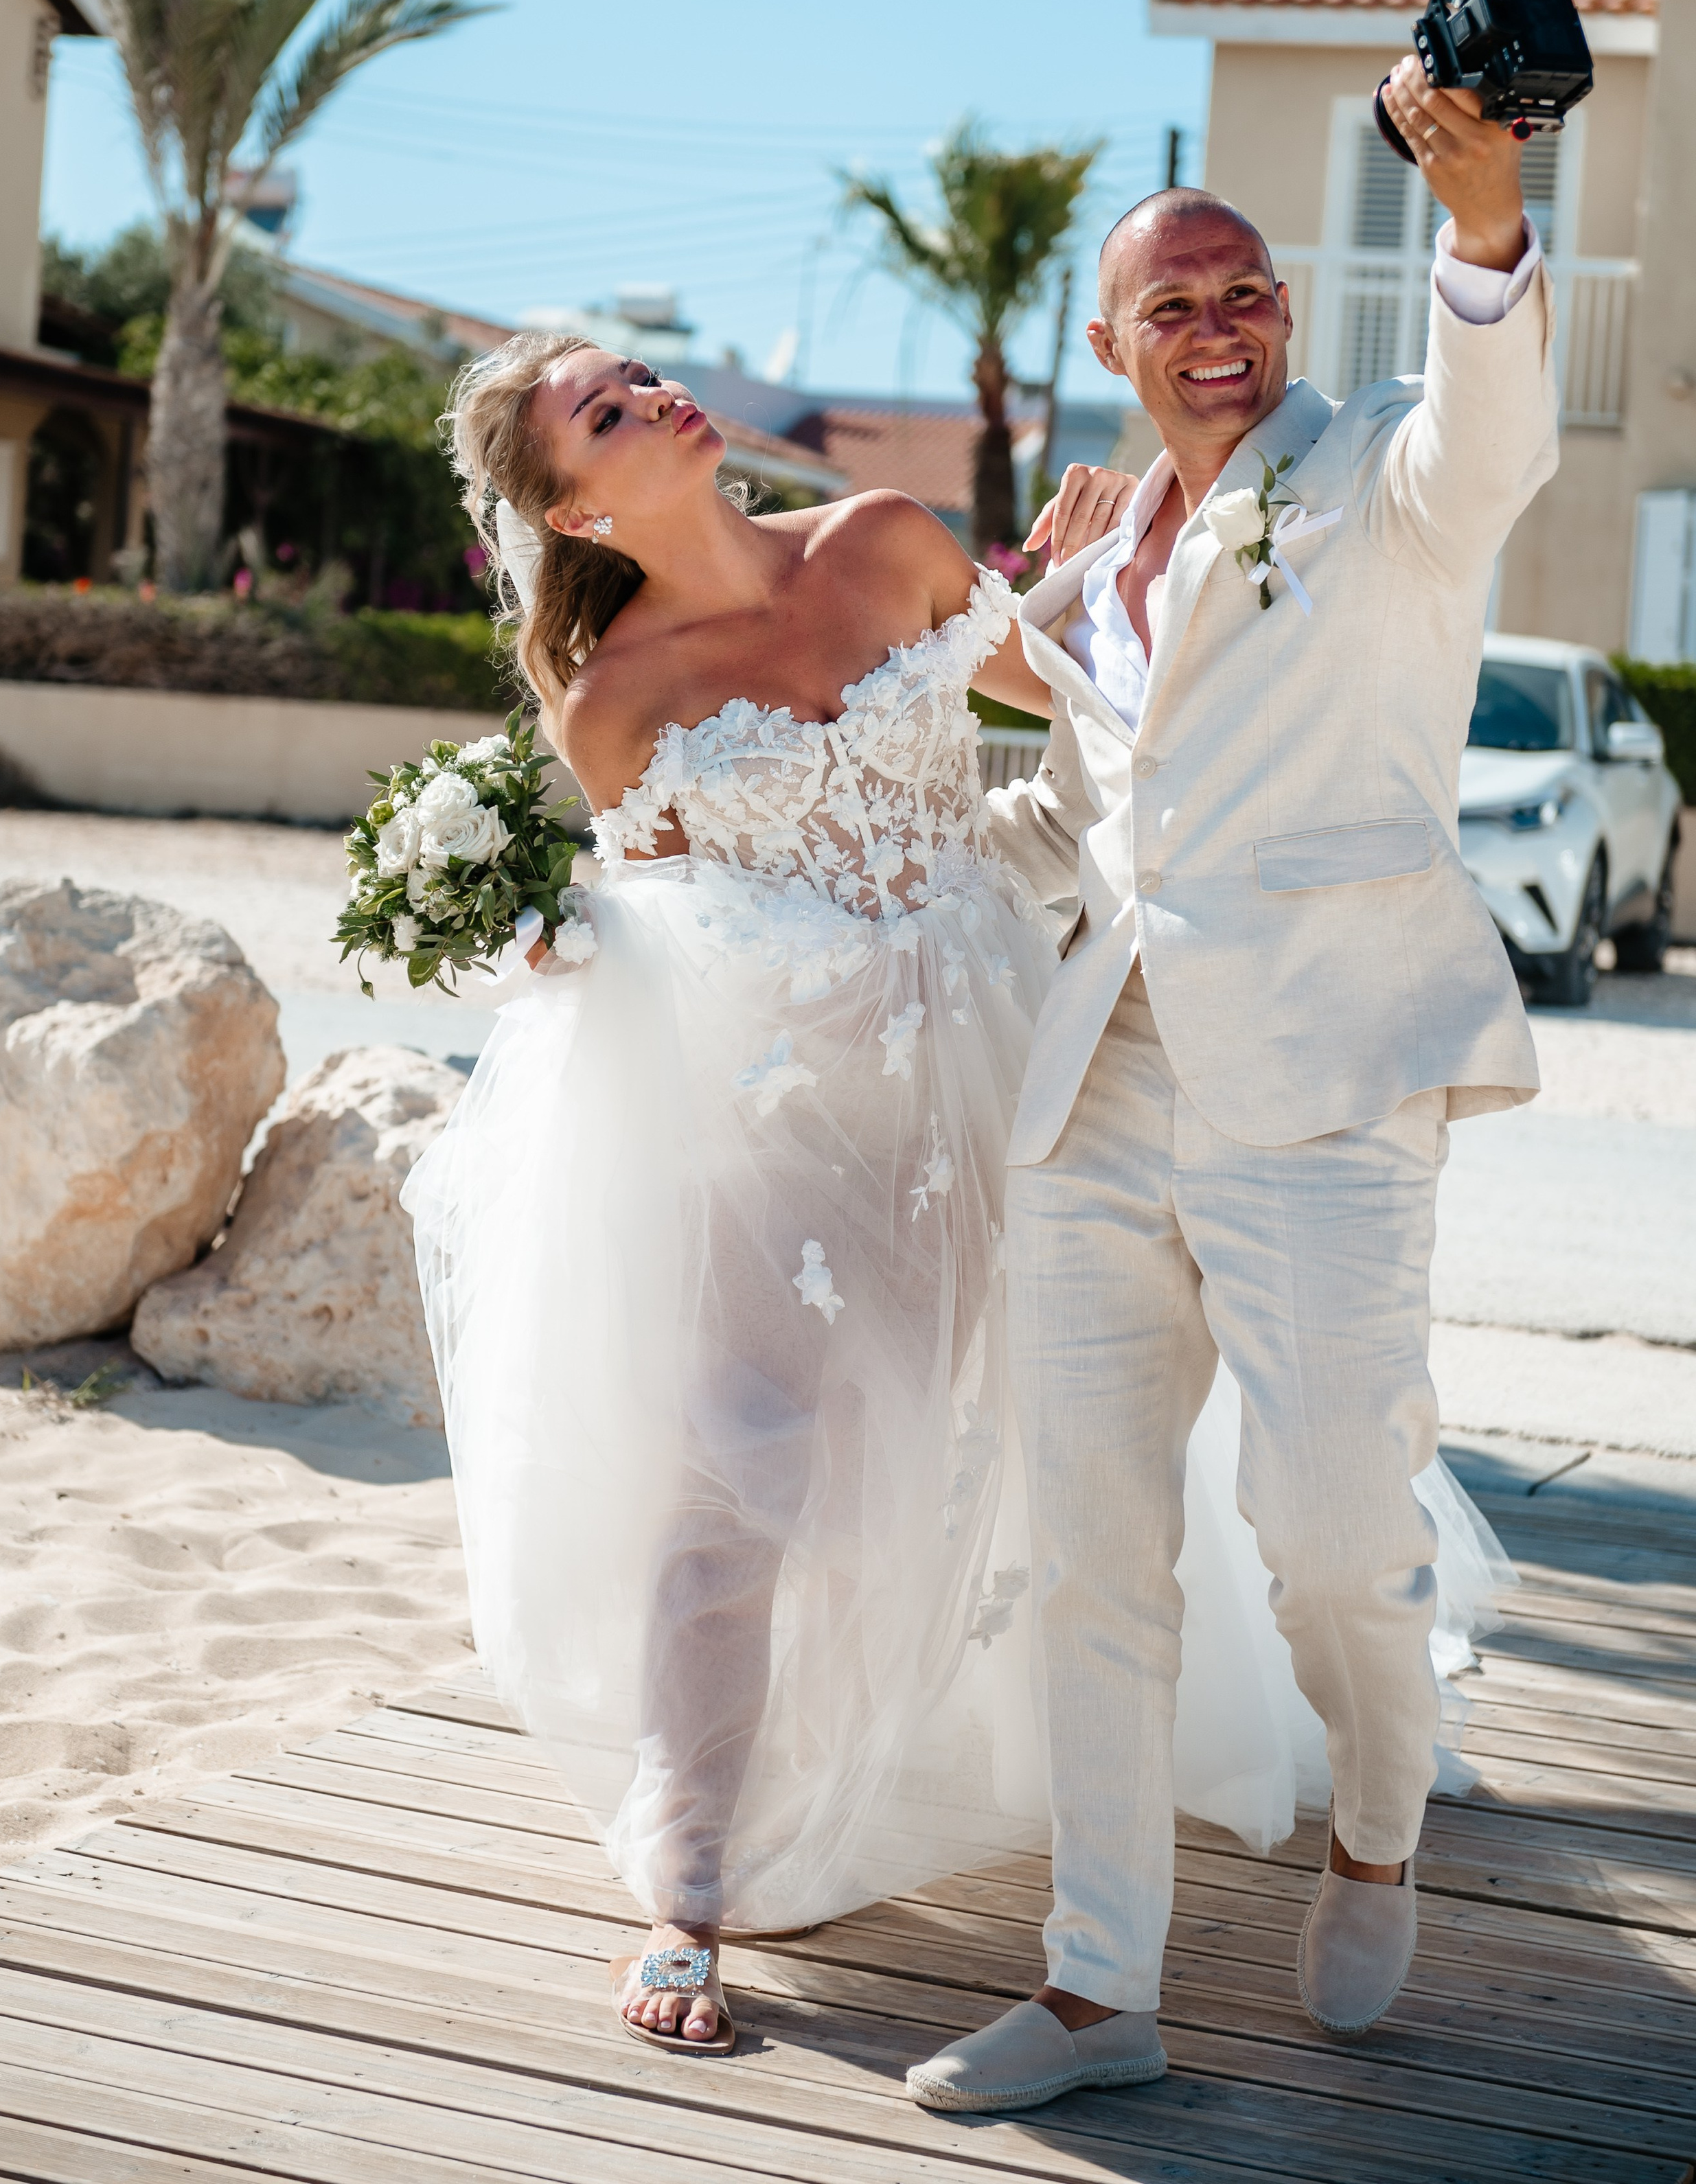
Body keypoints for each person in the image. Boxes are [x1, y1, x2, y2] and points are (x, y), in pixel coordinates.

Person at [402, 298, 1512, 2065]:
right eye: (608, 409)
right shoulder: (613, 698)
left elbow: (1098, 720)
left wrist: (1071, 600)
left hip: (1000, 1050)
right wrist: (544, 935)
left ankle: (1278, 1744)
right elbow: (657, 916)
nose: (655, 394)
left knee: (1065, 1436)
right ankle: (685, 1889)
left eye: (642, 373)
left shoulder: (883, 540)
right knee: (733, 1465)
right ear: (576, 513)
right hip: (779, 1108)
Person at [905, 51, 1557, 2115]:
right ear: (1111, 344)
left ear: (1289, 315)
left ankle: (1376, 1828)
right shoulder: (1088, 576)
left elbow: (1496, 436)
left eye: (1246, 290)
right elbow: (1102, 813)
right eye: (1173, 303)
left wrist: (1481, 225)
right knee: (1094, 1548)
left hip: (1328, 1095)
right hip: (1096, 1091)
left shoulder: (1376, 475)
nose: (1217, 324)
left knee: (1341, 1539)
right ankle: (1103, 1988)